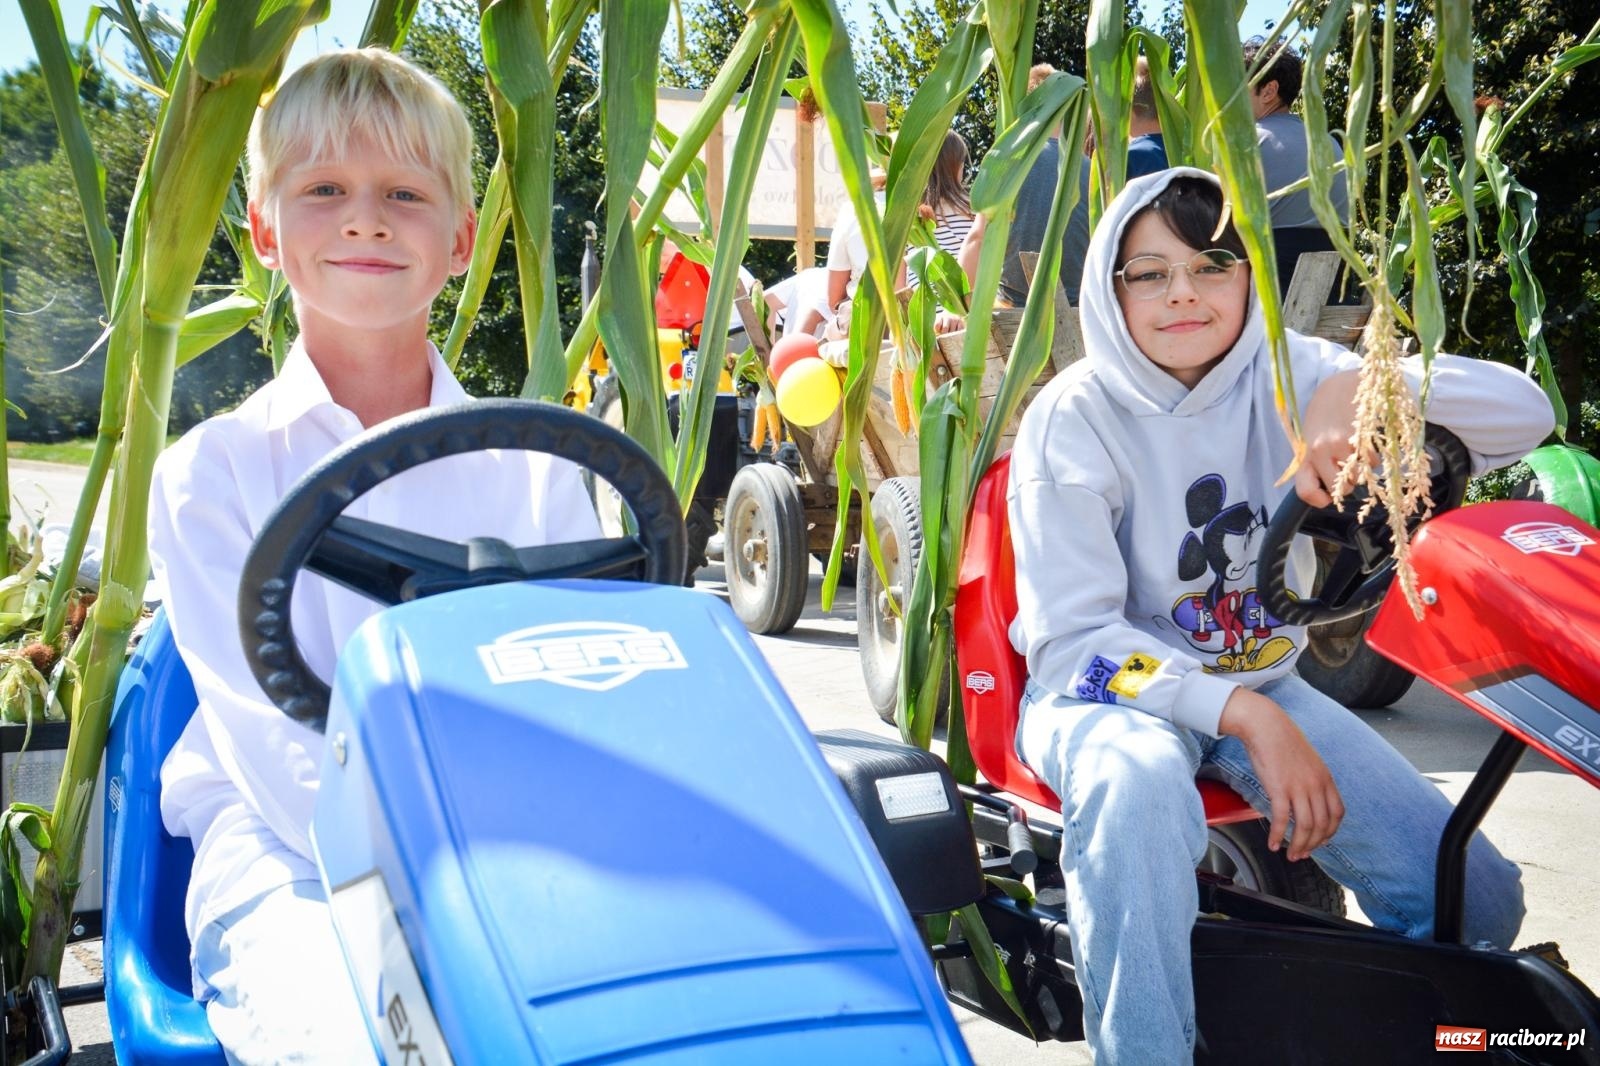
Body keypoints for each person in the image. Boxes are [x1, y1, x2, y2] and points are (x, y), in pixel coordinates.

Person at [1007, 168, 1547, 1064]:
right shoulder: (1073, 421)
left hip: (1261, 678)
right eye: (1148, 272)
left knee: (1478, 901)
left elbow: (1525, 413)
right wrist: (1243, 713)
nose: (1182, 292)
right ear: (1111, 291)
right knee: (1135, 784)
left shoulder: (1292, 371)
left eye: (1212, 262)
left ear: (1248, 275)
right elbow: (1072, 645)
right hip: (1108, 700)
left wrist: (1351, 400)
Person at [148, 49, 600, 1063]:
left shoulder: (534, 463)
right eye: (323, 191)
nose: (365, 219)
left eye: (404, 191)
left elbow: (581, 682)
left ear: (460, 239)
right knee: (378, 1046)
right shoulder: (211, 475)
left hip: (516, 841)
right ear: (267, 231)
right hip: (294, 865)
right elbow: (279, 761)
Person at [961, 58, 1169, 308]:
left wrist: (962, 306)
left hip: (1015, 307)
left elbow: (977, 239)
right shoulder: (1091, 172)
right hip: (1079, 306)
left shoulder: (1007, 167)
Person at [1245, 37, 1351, 296]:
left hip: (1268, 301)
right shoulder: (1330, 144)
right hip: (1333, 294)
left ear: (1269, 91)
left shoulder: (1247, 145)